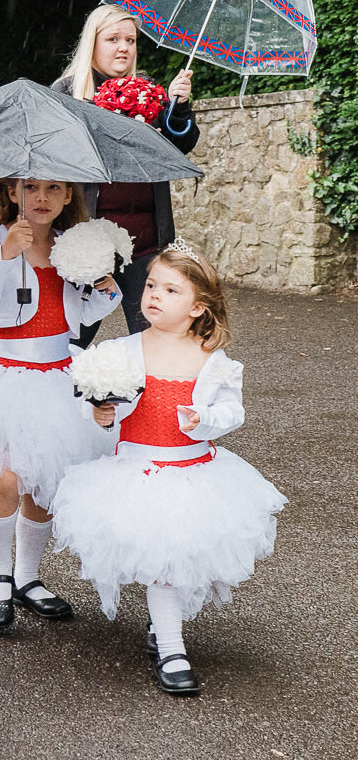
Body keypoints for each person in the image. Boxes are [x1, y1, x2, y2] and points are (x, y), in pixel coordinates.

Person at [53, 247, 284, 695]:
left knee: (175, 559)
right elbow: (100, 408)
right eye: (152, 285)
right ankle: (172, 646)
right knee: (162, 561)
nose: (154, 295)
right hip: (136, 471)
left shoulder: (213, 359)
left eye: (171, 290)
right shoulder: (121, 351)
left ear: (198, 307)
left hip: (193, 472)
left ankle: (165, 630)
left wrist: (206, 421)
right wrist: (101, 415)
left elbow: (232, 411)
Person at [0, 178, 121, 628]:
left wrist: (105, 287)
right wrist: (5, 255)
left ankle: (27, 577)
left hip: (56, 373)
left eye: (53, 189)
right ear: (11, 193)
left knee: (45, 485)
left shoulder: (70, 246)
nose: (41, 198)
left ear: (66, 199)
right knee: (4, 479)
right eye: (31, 187)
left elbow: (83, 314)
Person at [52, 5, 200, 341]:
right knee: (73, 338)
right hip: (87, 237)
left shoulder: (146, 89)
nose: (124, 47)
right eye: (113, 39)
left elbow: (181, 144)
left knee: (153, 337)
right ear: (93, 43)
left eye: (130, 40)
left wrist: (177, 108)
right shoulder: (67, 93)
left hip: (145, 237)